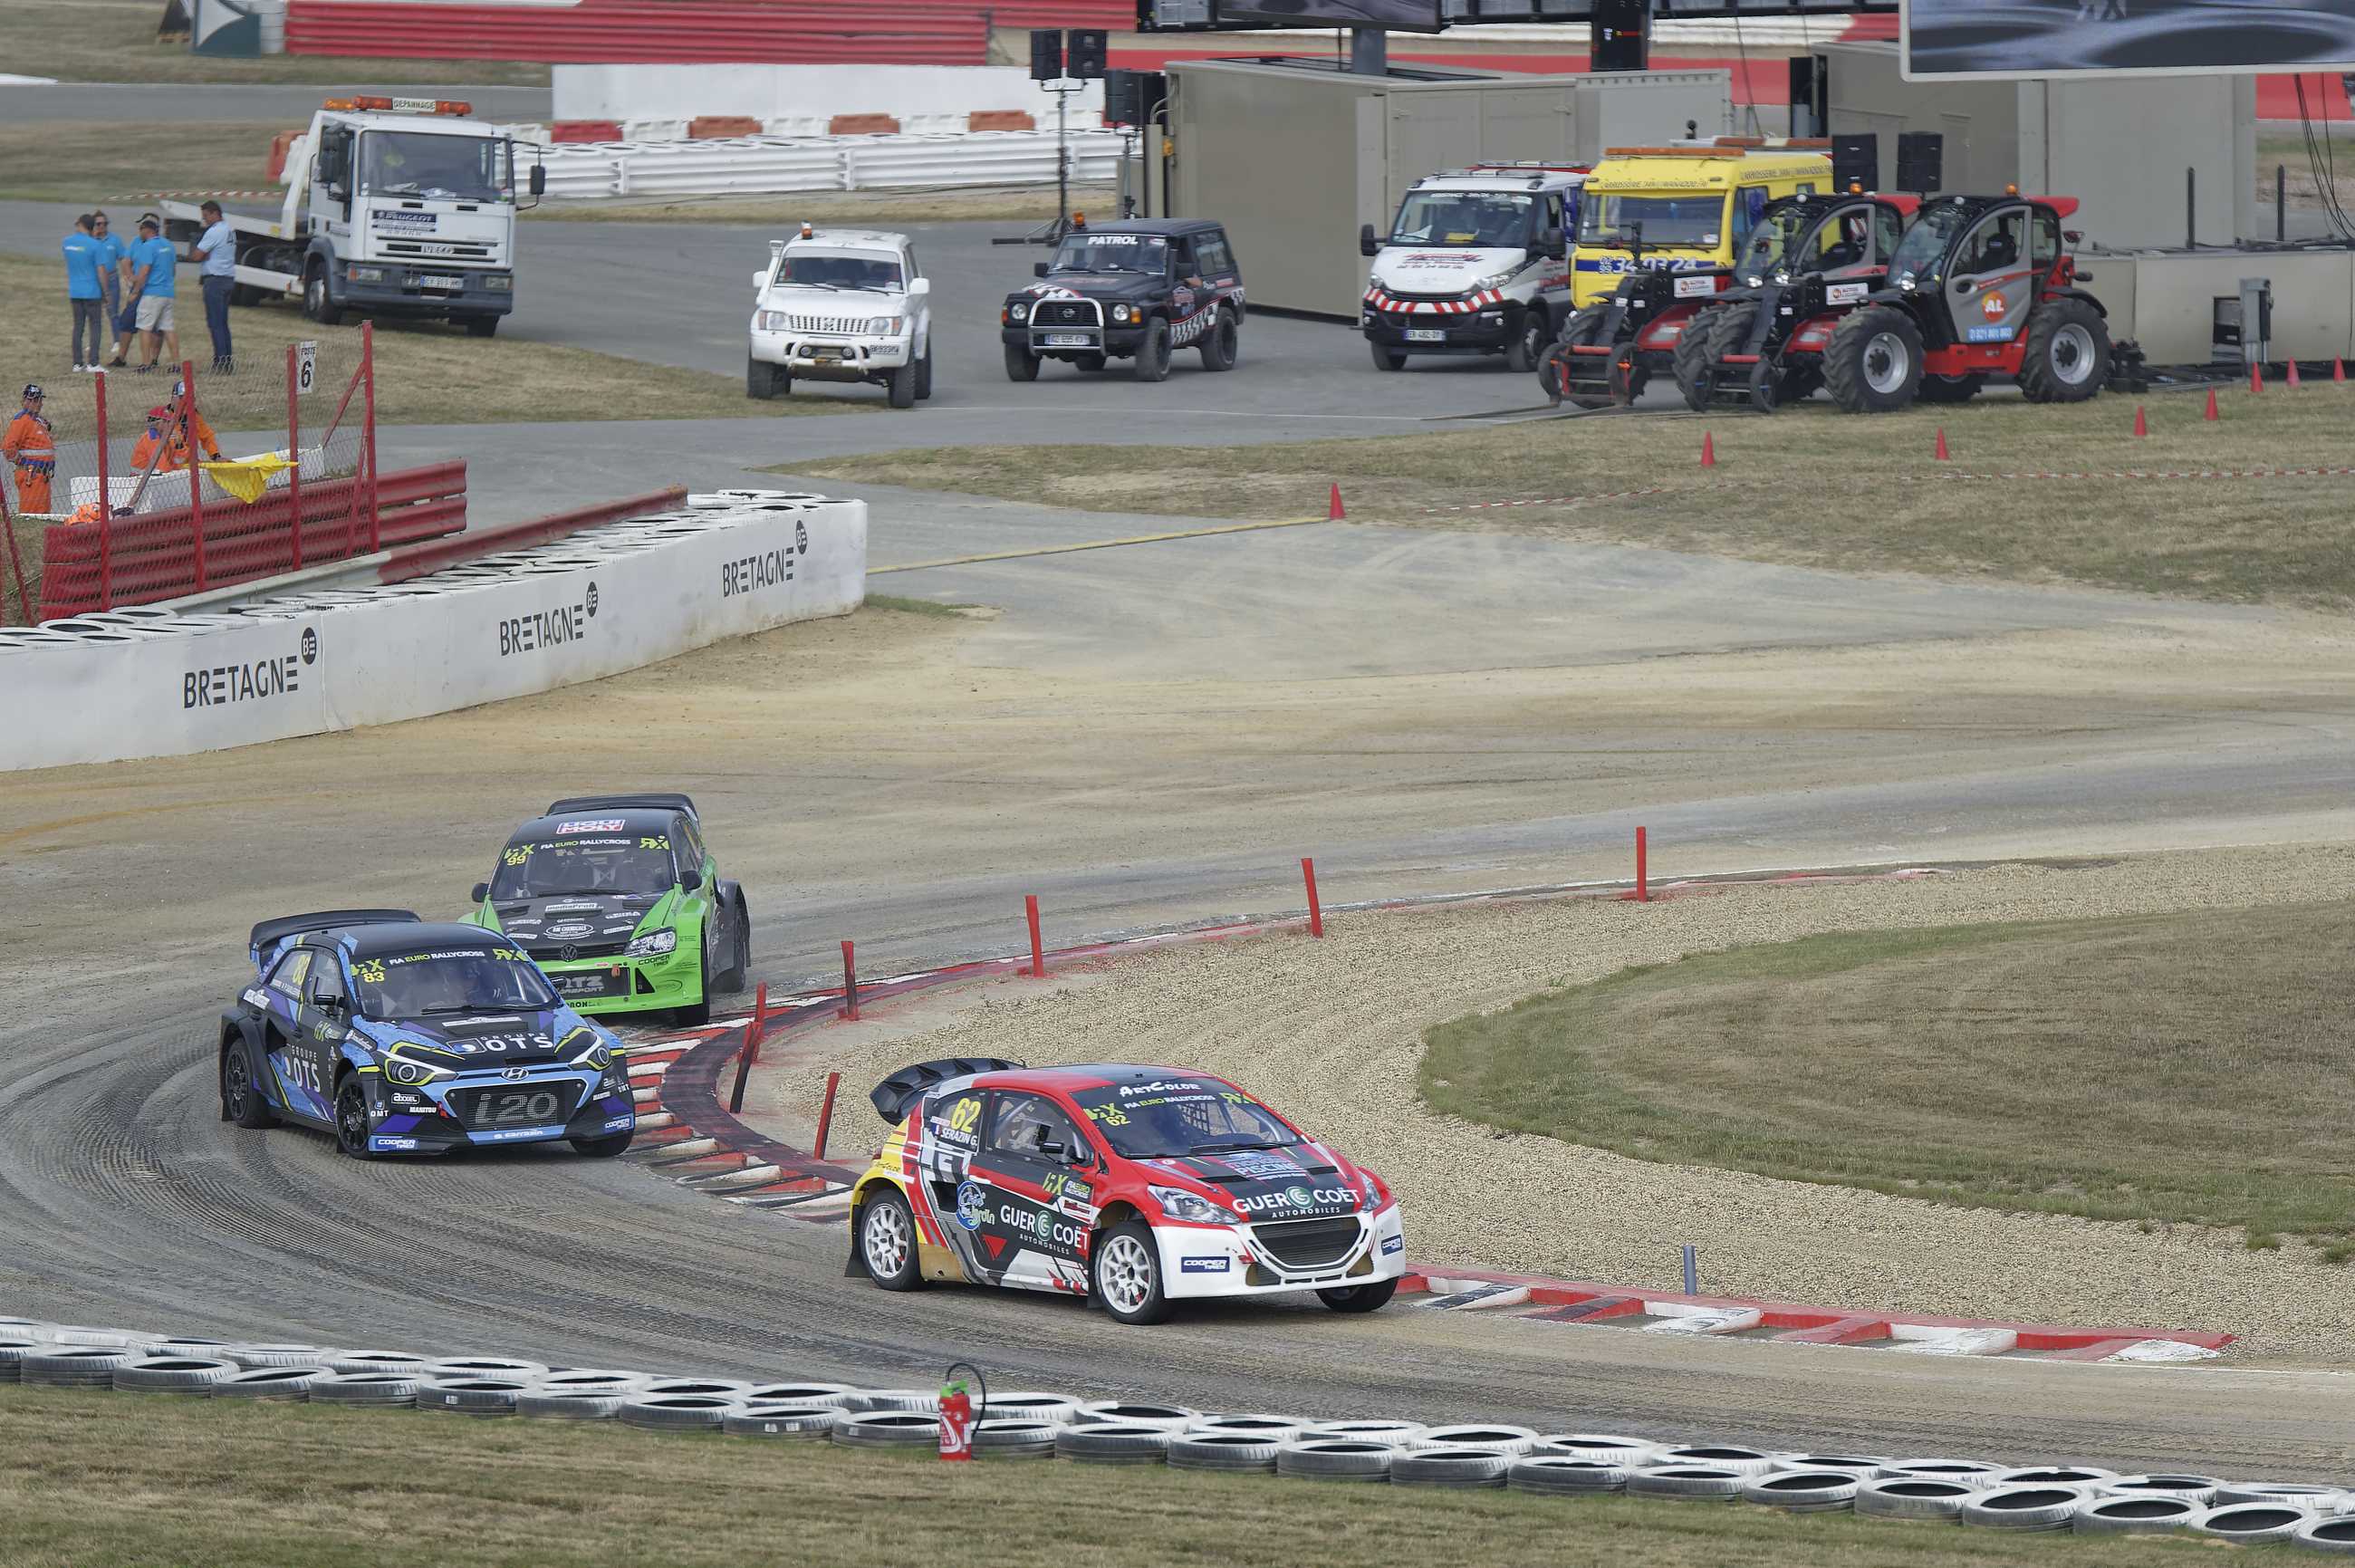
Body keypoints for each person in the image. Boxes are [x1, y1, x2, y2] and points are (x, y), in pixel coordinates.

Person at [125, 214, 178, 374]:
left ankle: (146, 363)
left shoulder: (148, 246)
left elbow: (145, 271)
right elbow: (173, 269)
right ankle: (176, 363)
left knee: (144, 328)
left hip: (152, 293)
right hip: (167, 293)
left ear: (146, 230)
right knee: (168, 328)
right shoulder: (169, 245)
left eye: (140, 230)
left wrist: (135, 291)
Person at [194, 199, 236, 375]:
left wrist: (198, 253)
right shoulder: (229, 230)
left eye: (206, 216)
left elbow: (197, 255)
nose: (205, 221)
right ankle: (227, 360)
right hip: (228, 278)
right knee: (223, 323)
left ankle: (220, 362)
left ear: (214, 213)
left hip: (215, 280)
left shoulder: (214, 231)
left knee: (215, 323)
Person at [90, 211, 134, 369]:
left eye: (105, 223)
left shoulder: (114, 240)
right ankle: (94, 342)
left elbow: (123, 259)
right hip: (94, 279)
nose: (103, 227)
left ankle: (117, 341)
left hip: (111, 278)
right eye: (99, 224)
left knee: (113, 312)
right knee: (94, 313)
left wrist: (127, 277)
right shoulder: (90, 240)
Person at [3, 386, 56, 516]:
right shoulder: (21, 420)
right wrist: (23, 463)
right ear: (25, 401)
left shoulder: (38, 420)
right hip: (31, 476)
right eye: (34, 400)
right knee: (31, 515)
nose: (39, 403)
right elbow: (8, 447)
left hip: (43, 476)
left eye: (39, 400)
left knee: (44, 515)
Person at [62, 215, 106, 373]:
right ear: (92, 227)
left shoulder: (66, 242)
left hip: (75, 290)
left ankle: (77, 363)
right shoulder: (96, 245)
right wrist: (106, 292)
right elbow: (101, 271)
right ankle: (93, 363)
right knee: (95, 326)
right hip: (92, 291)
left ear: (80, 224)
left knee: (78, 327)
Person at [167, 378, 222, 464]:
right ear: (173, 399)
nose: (186, 402)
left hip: (190, 463)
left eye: (190, 398)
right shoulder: (163, 419)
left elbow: (207, 436)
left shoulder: (195, 416)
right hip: (167, 465)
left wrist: (216, 456)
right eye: (182, 398)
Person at [130, 405, 190, 475]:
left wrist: (179, 445)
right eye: (166, 421)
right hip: (141, 477)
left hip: (159, 474)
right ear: (156, 424)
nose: (170, 424)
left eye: (170, 421)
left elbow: (180, 461)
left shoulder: (170, 435)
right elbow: (162, 467)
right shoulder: (151, 437)